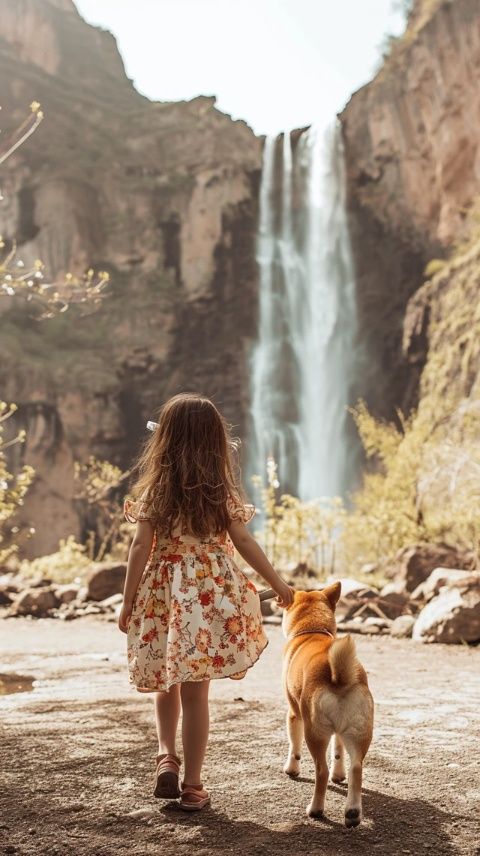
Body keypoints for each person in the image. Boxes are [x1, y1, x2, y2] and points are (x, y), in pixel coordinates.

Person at [118, 393, 294, 811]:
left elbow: (140, 547)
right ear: (215, 442)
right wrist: (279, 584)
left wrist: (127, 602)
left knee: (166, 680)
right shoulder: (219, 493)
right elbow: (244, 541)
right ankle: (193, 785)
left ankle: (166, 757)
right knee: (197, 694)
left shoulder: (156, 491)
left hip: (163, 593)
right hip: (208, 598)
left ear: (165, 440)